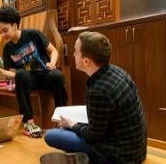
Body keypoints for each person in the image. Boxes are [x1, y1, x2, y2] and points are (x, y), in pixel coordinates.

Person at [44, 31, 147, 163]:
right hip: (136, 149)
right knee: (67, 127)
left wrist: (72, 125)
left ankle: (90, 158)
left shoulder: (99, 90)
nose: (73, 54)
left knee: (51, 136)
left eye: (76, 51)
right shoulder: (117, 70)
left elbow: (94, 135)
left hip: (120, 155)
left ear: (86, 61)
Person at [0, 6, 68, 138]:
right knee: (21, 74)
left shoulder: (33, 34)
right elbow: (14, 74)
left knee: (57, 75)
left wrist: (52, 63)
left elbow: (53, 51)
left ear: (14, 25)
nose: (3, 35)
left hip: (45, 74)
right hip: (30, 80)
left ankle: (62, 117)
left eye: (5, 30)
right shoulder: (7, 49)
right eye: (0, 32)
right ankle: (28, 122)